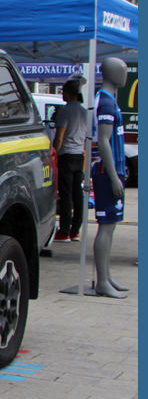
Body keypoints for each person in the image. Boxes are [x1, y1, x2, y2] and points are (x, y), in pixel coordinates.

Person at [90, 57, 130, 299]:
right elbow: (103, 141)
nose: (125, 74)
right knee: (106, 226)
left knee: (111, 226)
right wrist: (114, 175)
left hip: (112, 171)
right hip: (107, 173)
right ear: (111, 73)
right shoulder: (106, 102)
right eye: (122, 70)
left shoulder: (108, 100)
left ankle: (106, 276)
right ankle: (102, 281)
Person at [52, 79, 88, 242]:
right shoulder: (85, 111)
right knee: (77, 194)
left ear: (66, 92)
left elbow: (60, 136)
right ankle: (75, 230)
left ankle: (64, 231)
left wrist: (53, 153)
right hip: (79, 155)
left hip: (66, 155)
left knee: (65, 194)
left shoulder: (65, 111)